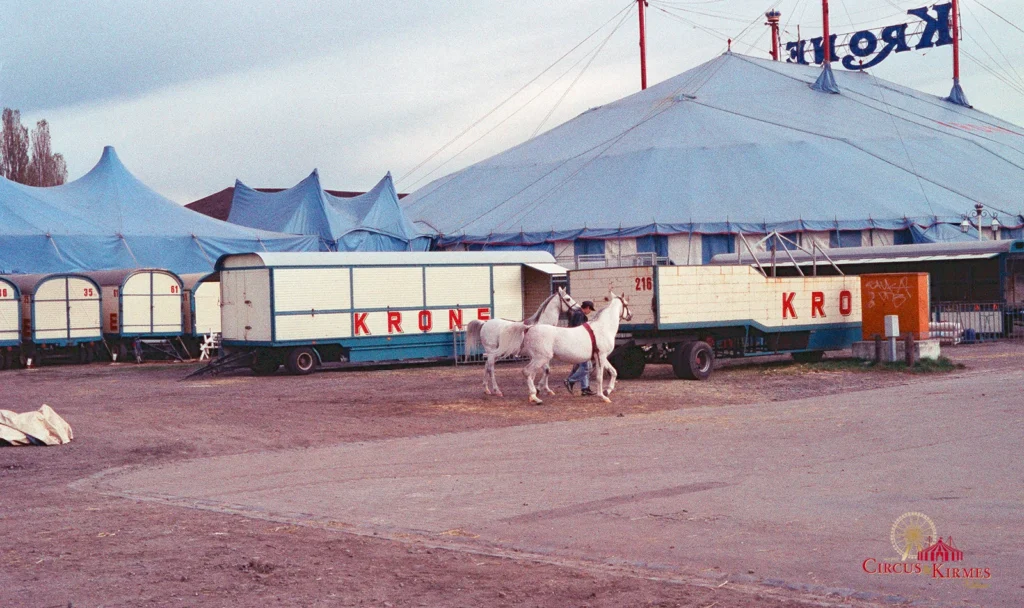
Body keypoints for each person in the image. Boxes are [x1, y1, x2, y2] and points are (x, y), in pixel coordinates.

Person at [564, 300, 595, 396]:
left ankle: (585, 388)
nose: (590, 312)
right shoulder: (580, 315)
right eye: (590, 310)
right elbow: (579, 330)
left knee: (584, 366)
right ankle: (570, 381)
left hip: (577, 343)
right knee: (587, 367)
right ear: (587, 308)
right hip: (579, 344)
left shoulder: (577, 314)